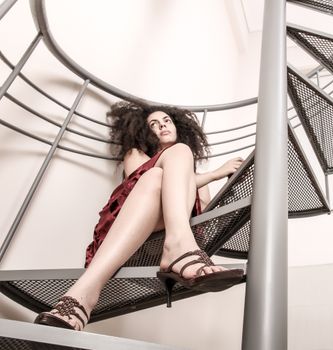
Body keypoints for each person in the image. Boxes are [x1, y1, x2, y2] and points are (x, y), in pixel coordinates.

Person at [34, 101, 245, 331]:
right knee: (157, 174)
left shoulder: (194, 177)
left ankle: (79, 297)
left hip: (167, 234)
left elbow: (201, 216)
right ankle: (175, 249)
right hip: (128, 231)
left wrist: (217, 181)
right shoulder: (136, 154)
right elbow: (139, 186)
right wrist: (215, 174)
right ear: (146, 132)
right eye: (154, 124)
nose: (162, 126)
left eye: (167, 121)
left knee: (182, 154)